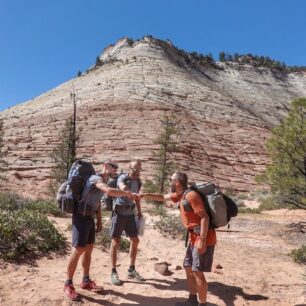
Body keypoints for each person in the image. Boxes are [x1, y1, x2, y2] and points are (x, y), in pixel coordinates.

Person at [64, 159, 138, 301]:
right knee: (78, 249)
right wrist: (127, 194)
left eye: (117, 167)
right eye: (113, 166)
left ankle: (85, 281)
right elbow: (109, 191)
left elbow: (97, 202)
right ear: (105, 165)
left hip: (89, 218)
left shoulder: (102, 180)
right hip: (80, 216)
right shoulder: (95, 178)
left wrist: (98, 220)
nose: (115, 170)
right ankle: (68, 284)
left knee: (89, 248)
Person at [141, 172, 216, 306]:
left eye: (171, 179)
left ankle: (202, 304)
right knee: (188, 267)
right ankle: (192, 301)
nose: (169, 181)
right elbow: (162, 197)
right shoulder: (181, 195)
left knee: (197, 272)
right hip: (194, 237)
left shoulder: (191, 196)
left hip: (202, 237)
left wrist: (202, 240)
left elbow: (205, 217)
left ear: (177, 182)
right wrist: (145, 195)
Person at [110, 159, 145, 285]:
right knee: (115, 241)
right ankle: (113, 271)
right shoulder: (123, 178)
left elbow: (138, 198)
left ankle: (131, 269)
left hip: (130, 214)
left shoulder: (138, 182)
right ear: (130, 168)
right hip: (119, 214)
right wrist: (129, 193)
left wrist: (139, 212)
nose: (137, 172)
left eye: (139, 169)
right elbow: (122, 188)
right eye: (135, 169)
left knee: (135, 240)